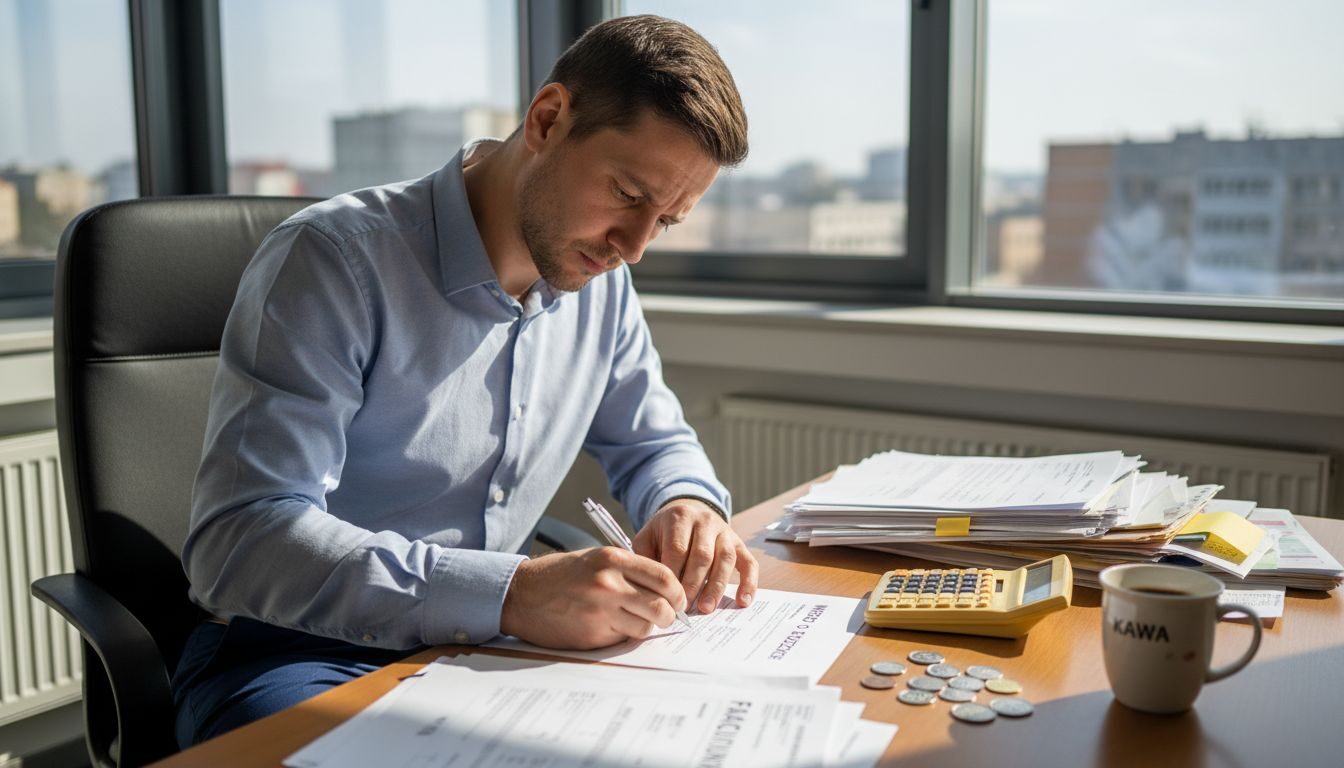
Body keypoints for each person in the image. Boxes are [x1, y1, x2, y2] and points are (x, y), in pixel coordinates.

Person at [172, 14, 758, 747]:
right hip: (299, 651)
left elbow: (653, 442)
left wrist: (686, 503)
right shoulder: (332, 263)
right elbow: (241, 540)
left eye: (665, 221)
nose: (634, 247)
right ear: (548, 119)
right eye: (627, 194)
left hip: (488, 651)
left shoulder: (599, 282)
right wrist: (510, 593)